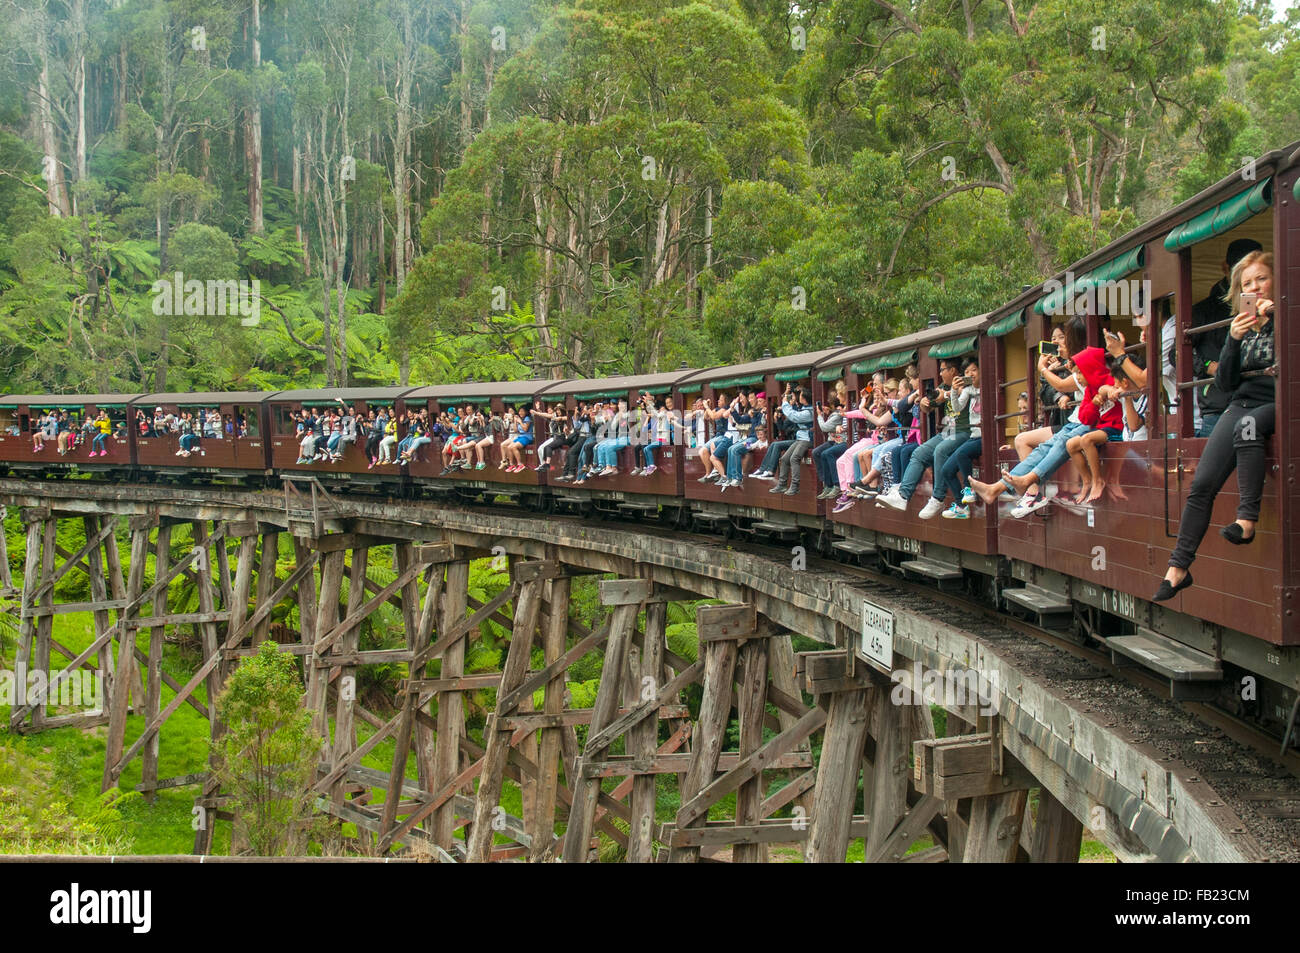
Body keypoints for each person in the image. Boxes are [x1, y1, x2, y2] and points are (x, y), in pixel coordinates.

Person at [1156, 251, 1275, 601]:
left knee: (1248, 427)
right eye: (1247, 284)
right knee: (1201, 484)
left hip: (1277, 402)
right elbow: (1224, 383)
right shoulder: (1238, 325)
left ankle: (1246, 521)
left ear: (1276, 280)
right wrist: (1234, 339)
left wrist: (1276, 316)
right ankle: (1178, 569)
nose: (1254, 287)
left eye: (1261, 279)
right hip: (1241, 403)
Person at [876, 358, 970, 518]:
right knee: (919, 453)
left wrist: (944, 395)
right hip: (948, 432)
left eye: (942, 370)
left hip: (964, 431)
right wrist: (926, 403)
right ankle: (902, 496)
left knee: (940, 451)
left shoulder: (964, 383)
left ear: (953, 370)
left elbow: (951, 395)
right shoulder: (942, 386)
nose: (940, 373)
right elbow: (928, 407)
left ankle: (938, 498)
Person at [1190, 238, 1263, 437]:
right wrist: (1208, 365)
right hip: (1218, 405)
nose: (1252, 285)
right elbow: (1177, 354)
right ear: (1226, 268)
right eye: (1243, 276)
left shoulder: (1272, 306)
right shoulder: (1204, 310)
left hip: (1259, 400)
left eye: (1260, 277)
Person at [769, 385, 814, 496]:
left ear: (804, 398)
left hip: (807, 439)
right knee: (784, 459)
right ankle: (782, 484)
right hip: (800, 438)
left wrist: (785, 403)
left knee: (794, 458)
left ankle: (795, 486)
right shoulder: (804, 408)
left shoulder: (809, 412)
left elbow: (794, 416)